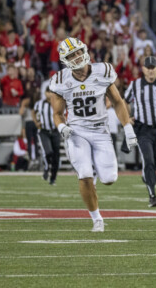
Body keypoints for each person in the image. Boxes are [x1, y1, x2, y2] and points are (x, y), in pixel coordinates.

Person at [49, 37, 136, 233]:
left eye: (79, 51)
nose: (77, 56)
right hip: (77, 132)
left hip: (101, 131)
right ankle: (97, 219)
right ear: (65, 59)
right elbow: (57, 113)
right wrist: (61, 127)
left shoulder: (102, 71)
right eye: (72, 55)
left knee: (109, 179)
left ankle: (94, 173)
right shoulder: (61, 79)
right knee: (85, 175)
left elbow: (117, 101)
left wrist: (128, 127)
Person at [123, 55, 156, 207]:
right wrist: (127, 117)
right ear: (143, 69)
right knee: (148, 160)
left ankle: (146, 176)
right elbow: (124, 101)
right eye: (147, 68)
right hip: (143, 129)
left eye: (153, 68)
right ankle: (152, 196)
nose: (150, 72)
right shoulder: (135, 85)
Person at [34, 89, 59, 186]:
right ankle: (46, 168)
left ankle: (53, 178)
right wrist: (36, 122)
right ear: (45, 93)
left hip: (55, 131)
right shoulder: (39, 104)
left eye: (51, 92)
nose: (49, 94)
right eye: (47, 92)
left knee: (56, 157)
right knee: (48, 151)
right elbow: (34, 112)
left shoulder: (58, 103)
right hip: (44, 131)